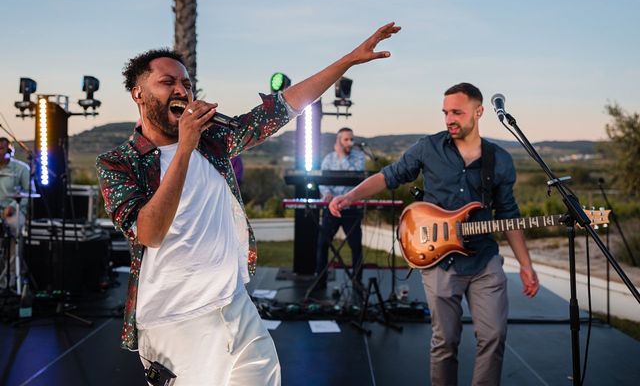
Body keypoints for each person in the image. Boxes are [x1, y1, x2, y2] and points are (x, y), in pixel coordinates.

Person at [96, 22, 400, 385]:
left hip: (233, 304)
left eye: (187, 84)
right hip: (175, 320)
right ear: (139, 94)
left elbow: (283, 107)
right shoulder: (118, 163)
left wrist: (349, 60)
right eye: (168, 83)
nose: (182, 90)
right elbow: (150, 232)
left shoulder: (214, 140)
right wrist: (184, 148)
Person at [329, 82, 539, 386]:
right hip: (440, 261)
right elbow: (389, 175)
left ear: (479, 112)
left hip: (484, 261)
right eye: (445, 112)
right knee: (445, 342)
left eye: (457, 112)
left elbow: (508, 215)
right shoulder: (428, 148)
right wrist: (350, 196)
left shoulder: (500, 160)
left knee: (493, 337)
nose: (449, 119)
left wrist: (525, 264)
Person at [316, 127, 365, 288]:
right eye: (346, 139)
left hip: (351, 208)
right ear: (338, 141)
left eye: (351, 139)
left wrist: (342, 156)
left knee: (356, 246)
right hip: (332, 208)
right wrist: (327, 194)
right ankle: (320, 280)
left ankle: (357, 281)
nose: (350, 142)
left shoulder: (358, 157)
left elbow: (356, 177)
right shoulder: (328, 159)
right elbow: (322, 182)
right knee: (323, 244)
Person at [0, 137, 30, 291]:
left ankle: (10, 278)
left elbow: (28, 193)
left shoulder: (21, 169)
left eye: (1, 149)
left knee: (15, 227)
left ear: (9, 152)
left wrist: (12, 207)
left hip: (14, 212)